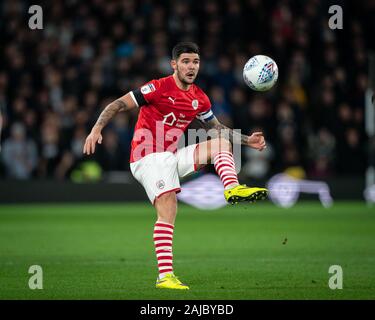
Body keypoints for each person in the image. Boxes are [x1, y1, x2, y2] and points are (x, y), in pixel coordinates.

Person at [83, 42, 268, 290]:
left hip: (170, 156)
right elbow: (117, 104)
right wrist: (96, 129)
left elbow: (218, 129)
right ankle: (165, 277)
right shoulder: (157, 88)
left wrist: (248, 141)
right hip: (145, 157)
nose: (191, 67)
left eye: (196, 62)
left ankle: (232, 188)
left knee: (221, 143)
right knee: (169, 206)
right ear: (174, 64)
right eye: (186, 62)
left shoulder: (199, 98)